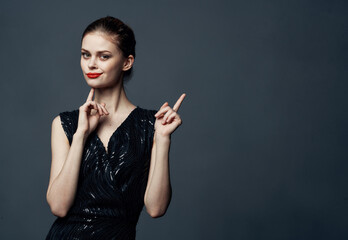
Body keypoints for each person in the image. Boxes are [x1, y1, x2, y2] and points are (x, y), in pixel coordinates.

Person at [45, 16, 186, 239]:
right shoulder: (65, 124)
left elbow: (156, 209)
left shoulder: (152, 124)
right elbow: (59, 207)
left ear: (126, 62)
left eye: (104, 56)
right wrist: (81, 135)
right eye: (85, 55)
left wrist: (163, 139)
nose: (91, 64)